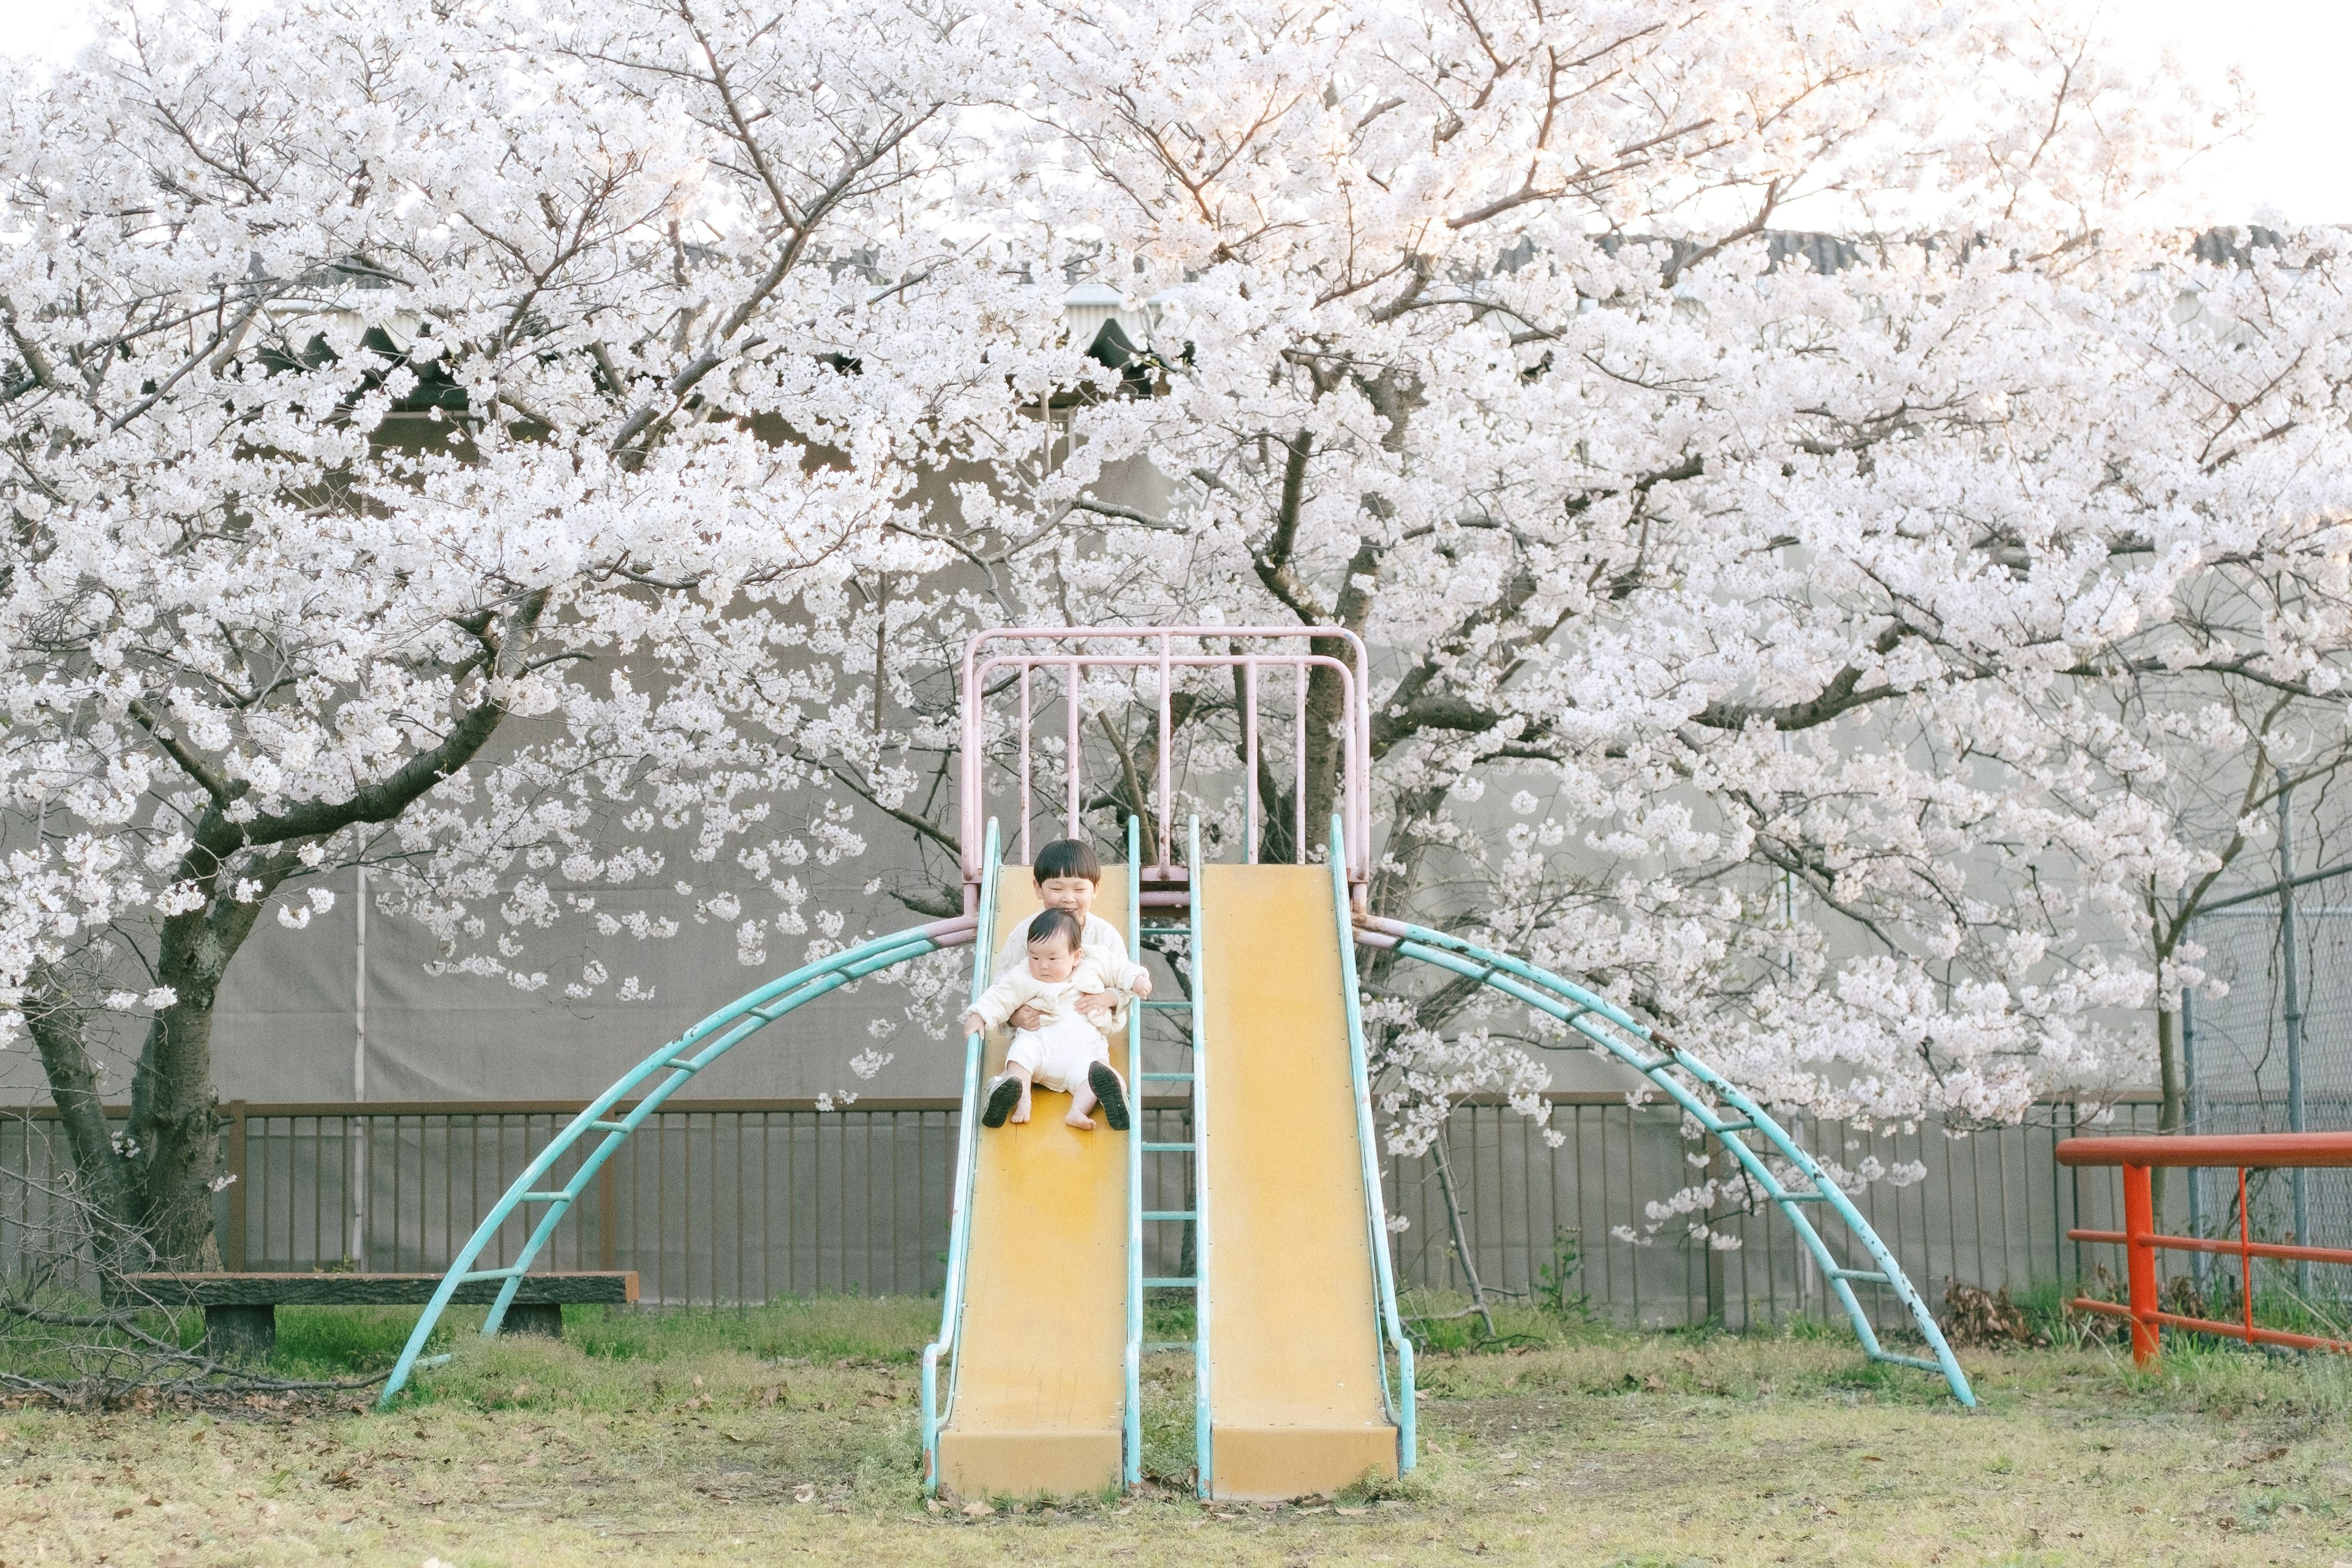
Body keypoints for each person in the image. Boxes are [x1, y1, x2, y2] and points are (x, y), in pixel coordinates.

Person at [962, 907, 1144, 1131]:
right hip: (1040, 1045)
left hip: (1081, 1052)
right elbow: (1001, 995)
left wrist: (1137, 980)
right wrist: (979, 1015)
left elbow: (1120, 970)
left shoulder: (1094, 962)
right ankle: (1022, 1097)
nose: (1043, 965)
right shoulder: (1024, 975)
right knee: (1020, 1054)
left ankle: (1077, 1111)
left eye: (1053, 958)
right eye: (1035, 956)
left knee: (1097, 1076)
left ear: (1076, 956)